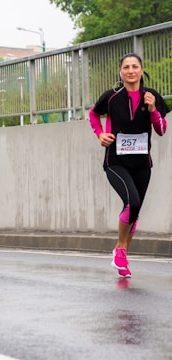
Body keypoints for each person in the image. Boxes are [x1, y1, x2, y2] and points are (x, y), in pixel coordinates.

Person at [89, 53, 169, 278]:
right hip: (115, 161)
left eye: (135, 66)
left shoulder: (152, 96)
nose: (131, 70)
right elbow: (93, 115)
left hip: (142, 163)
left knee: (134, 211)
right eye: (126, 67)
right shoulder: (112, 97)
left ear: (141, 71)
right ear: (121, 72)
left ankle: (121, 252)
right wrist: (100, 134)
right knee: (131, 202)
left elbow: (162, 130)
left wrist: (153, 110)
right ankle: (121, 250)